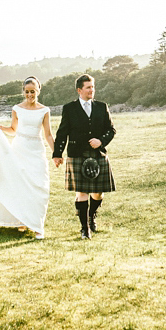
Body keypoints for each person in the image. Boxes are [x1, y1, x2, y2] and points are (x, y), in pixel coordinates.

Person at [0, 77, 55, 239]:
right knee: (19, 184)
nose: (29, 95)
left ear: (38, 91)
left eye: (32, 91)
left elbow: (48, 134)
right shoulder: (17, 109)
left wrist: (56, 154)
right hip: (19, 149)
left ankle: (38, 225)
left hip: (36, 151)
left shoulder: (44, 110)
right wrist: (1, 129)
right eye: (27, 92)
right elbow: (14, 129)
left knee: (40, 186)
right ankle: (22, 220)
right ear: (23, 91)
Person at [53, 74, 117, 239]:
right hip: (77, 154)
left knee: (98, 193)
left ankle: (91, 215)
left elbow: (111, 130)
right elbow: (62, 133)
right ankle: (85, 229)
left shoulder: (102, 107)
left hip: (97, 154)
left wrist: (101, 141)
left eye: (93, 87)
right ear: (79, 90)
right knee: (81, 192)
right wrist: (57, 154)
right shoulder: (69, 108)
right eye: (88, 87)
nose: (92, 90)